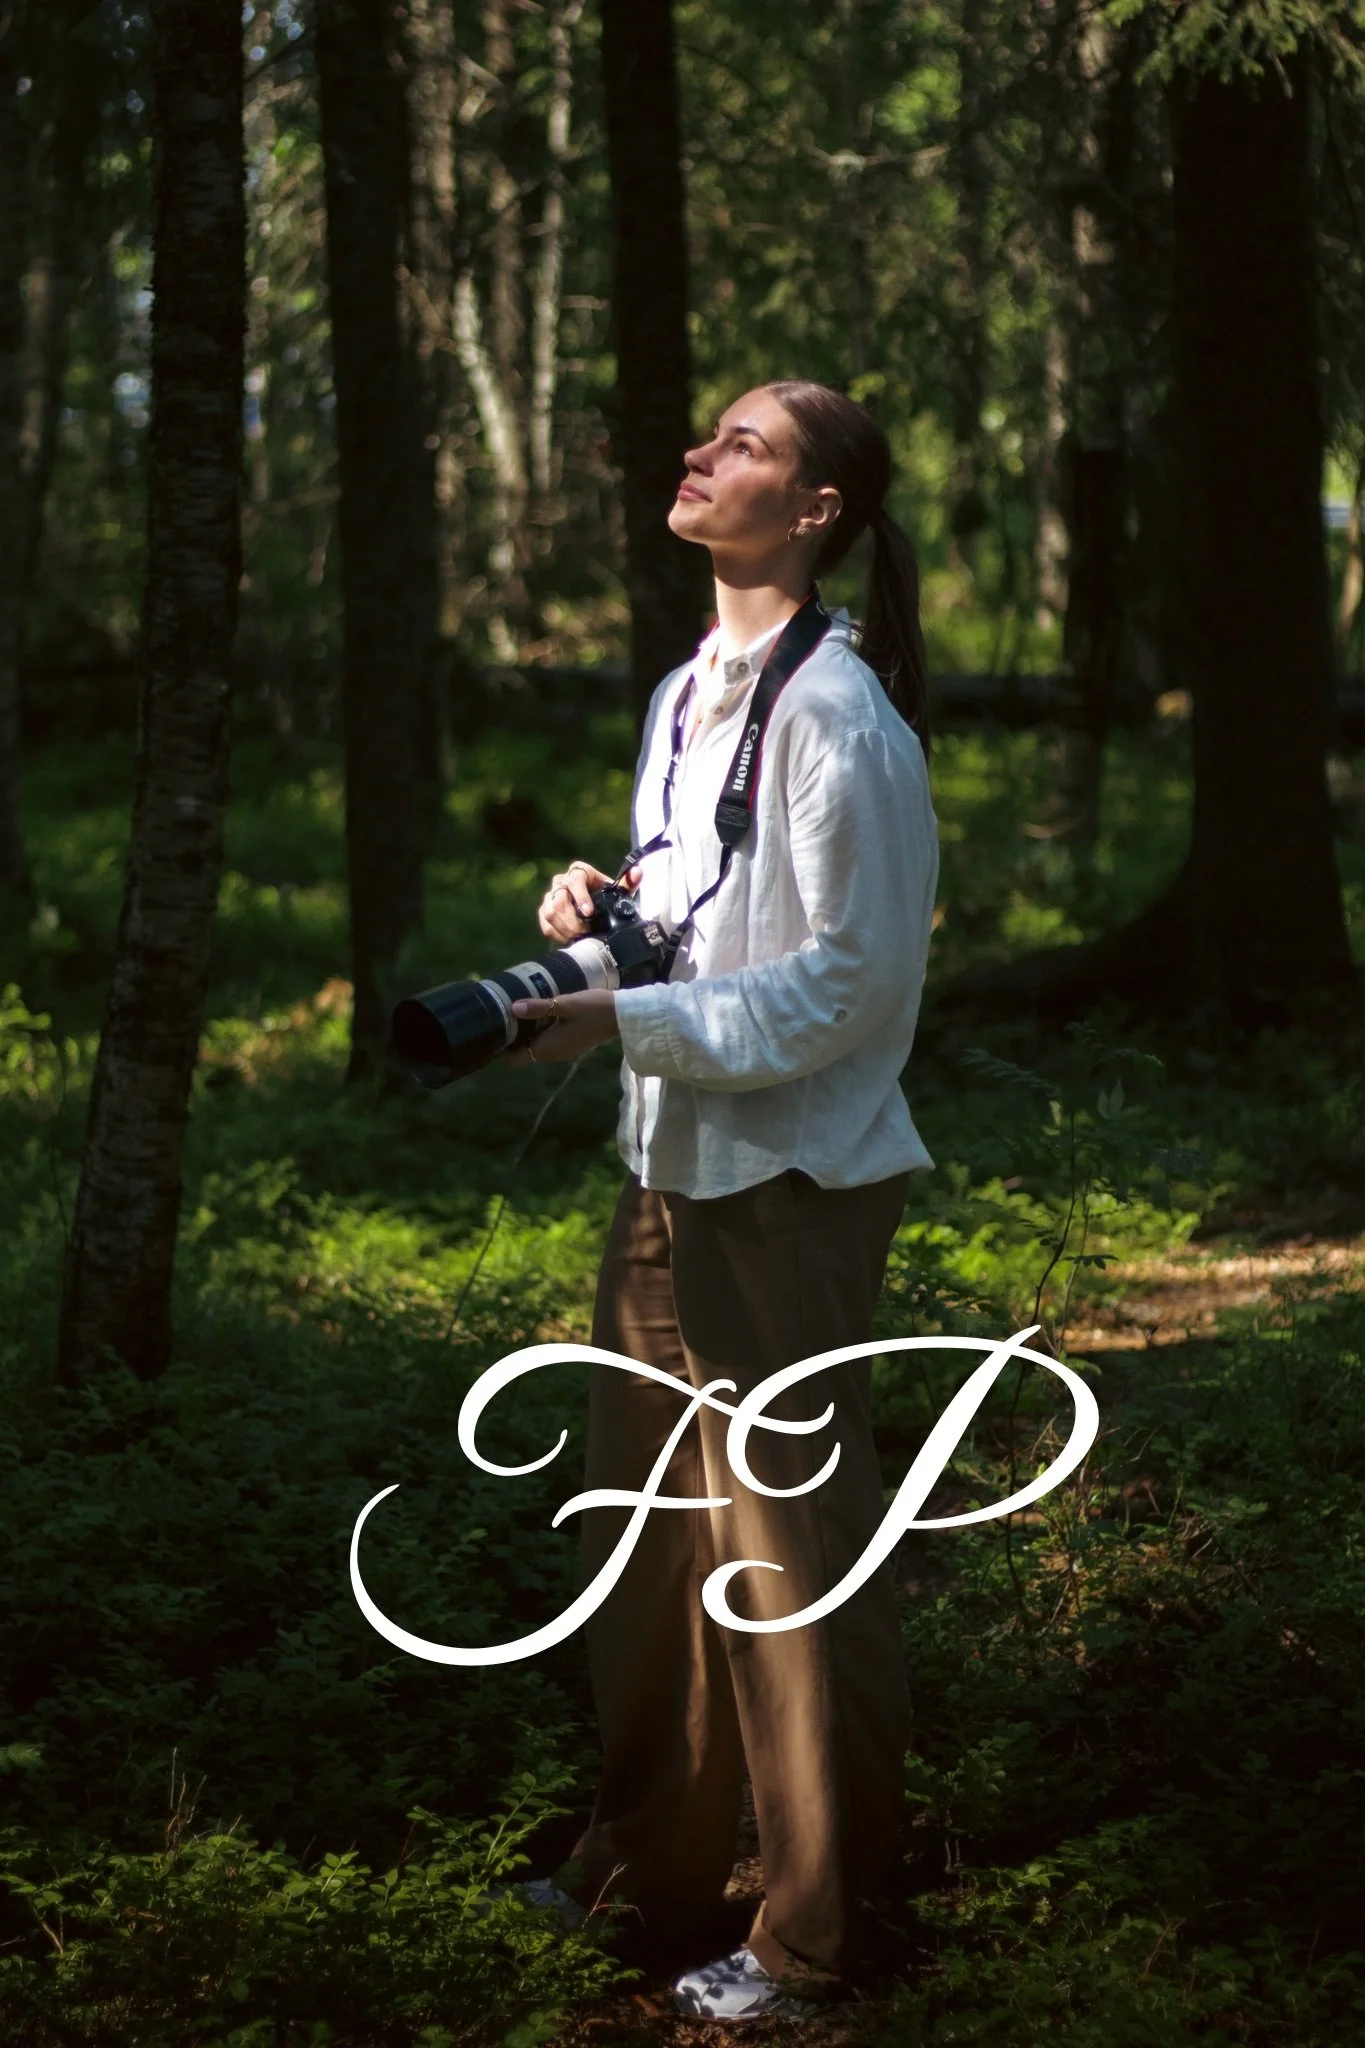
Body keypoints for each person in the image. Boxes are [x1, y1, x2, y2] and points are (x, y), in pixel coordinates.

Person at [504, 380, 940, 2021]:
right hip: (667, 1168)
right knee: (651, 1548)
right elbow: (704, 921)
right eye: (709, 438)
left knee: (789, 1562)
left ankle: (818, 1940)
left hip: (790, 1185)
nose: (700, 457)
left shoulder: (842, 717)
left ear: (816, 510)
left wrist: (622, 1019)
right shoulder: (689, 691)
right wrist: (600, 917)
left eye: (744, 446)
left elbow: (852, 983)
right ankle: (650, 1875)